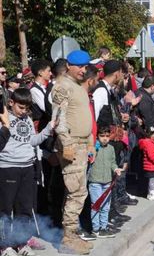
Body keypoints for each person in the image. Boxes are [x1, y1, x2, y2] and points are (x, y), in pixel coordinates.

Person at [0, 88, 56, 256]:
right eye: (20, 107)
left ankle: (21, 242)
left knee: (24, 209)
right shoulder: (4, 119)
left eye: (26, 108)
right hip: (7, 169)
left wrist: (48, 129)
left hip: (27, 168)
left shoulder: (28, 119)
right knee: (5, 209)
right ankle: (4, 245)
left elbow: (33, 141)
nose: (23, 112)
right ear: (11, 103)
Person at [50, 49, 95, 254]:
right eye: (81, 66)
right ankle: (68, 238)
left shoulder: (78, 87)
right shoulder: (62, 87)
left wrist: (89, 142)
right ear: (69, 65)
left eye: (86, 67)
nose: (84, 70)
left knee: (79, 191)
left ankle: (72, 235)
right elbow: (58, 120)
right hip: (71, 146)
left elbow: (84, 118)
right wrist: (67, 144)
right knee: (75, 191)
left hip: (81, 144)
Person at [87, 127, 122, 238]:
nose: (105, 139)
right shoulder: (93, 147)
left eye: (107, 136)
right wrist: (93, 150)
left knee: (105, 206)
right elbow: (89, 159)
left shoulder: (111, 148)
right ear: (97, 136)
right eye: (102, 136)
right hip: (95, 181)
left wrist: (116, 169)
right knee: (96, 205)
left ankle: (104, 228)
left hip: (107, 182)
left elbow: (112, 162)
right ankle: (95, 229)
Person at [139, 126, 154, 201]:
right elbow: (151, 155)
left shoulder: (150, 142)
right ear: (148, 135)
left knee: (152, 180)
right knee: (151, 181)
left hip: (151, 166)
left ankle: (151, 193)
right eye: (152, 134)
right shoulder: (149, 143)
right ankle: (152, 193)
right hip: (151, 166)